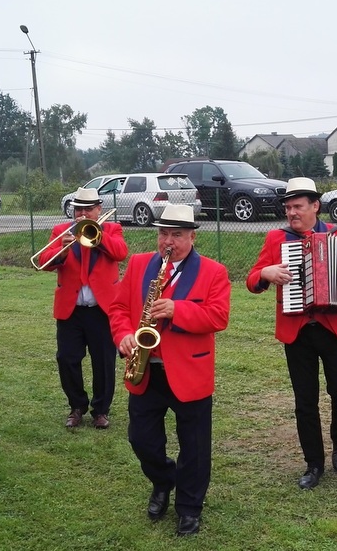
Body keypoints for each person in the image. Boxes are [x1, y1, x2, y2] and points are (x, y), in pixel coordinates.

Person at [246, 177, 337, 490]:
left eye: (298, 206)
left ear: (315, 206)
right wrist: (266, 273)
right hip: (297, 332)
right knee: (305, 402)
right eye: (288, 207)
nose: (292, 212)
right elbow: (252, 280)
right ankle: (314, 463)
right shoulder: (276, 239)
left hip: (335, 329)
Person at [108, 203, 230, 536]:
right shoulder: (137, 264)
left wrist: (178, 309)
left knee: (194, 445)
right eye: (163, 233)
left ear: (192, 236)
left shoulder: (213, 272)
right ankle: (163, 480)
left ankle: (189, 507)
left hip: (190, 370)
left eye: (177, 235)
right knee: (140, 439)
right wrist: (122, 335)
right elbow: (118, 307)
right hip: (146, 369)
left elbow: (218, 317)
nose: (168, 242)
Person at [38, 187, 128, 429]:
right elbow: (44, 261)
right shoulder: (61, 231)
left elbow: (121, 252)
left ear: (99, 209)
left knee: (104, 362)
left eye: (89, 209)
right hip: (71, 309)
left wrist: (96, 236)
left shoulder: (112, 229)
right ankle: (77, 406)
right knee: (66, 359)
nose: (83, 213)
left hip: (101, 309)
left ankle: (101, 410)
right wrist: (62, 248)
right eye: (79, 209)